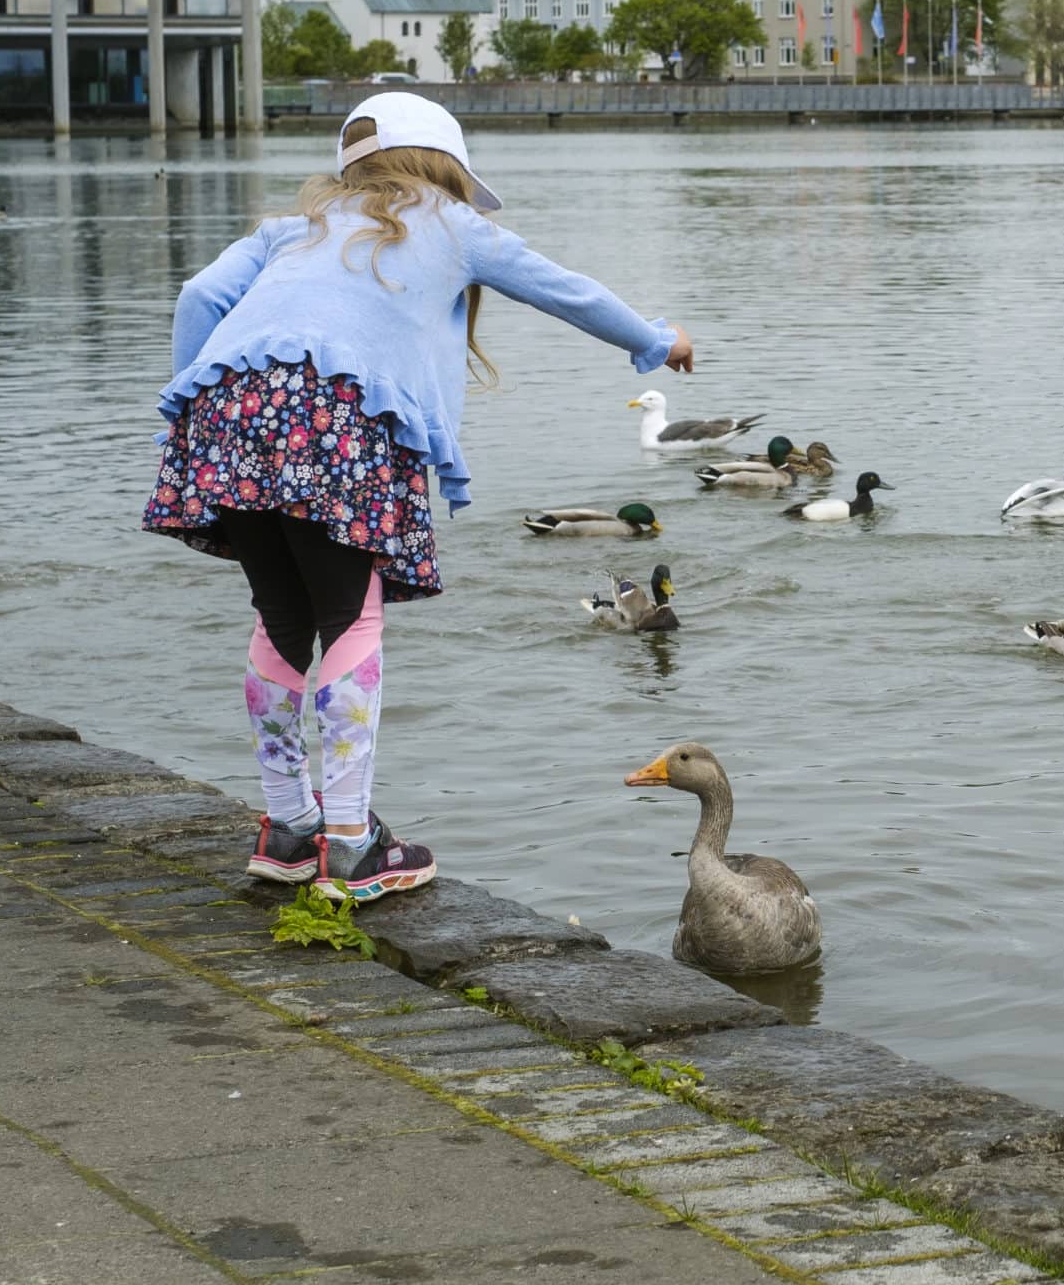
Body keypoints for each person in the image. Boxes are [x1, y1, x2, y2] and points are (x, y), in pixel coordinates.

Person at [143, 93, 689, 902]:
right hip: (339, 415)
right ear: (447, 169)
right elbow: (562, 289)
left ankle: (288, 828)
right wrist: (655, 338)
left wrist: (191, 404)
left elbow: (197, 298)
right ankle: (353, 844)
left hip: (230, 413)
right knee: (350, 616)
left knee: (281, 616)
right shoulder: (449, 223)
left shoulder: (295, 227)